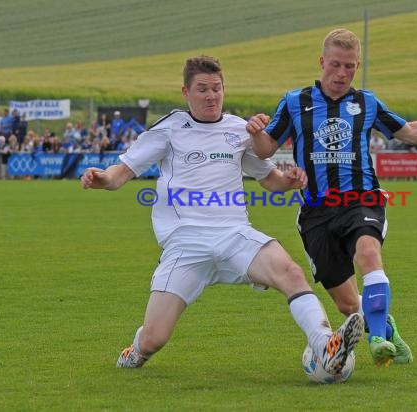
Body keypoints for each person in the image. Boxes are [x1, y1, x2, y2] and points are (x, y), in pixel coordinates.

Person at [81, 55, 363, 373]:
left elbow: (271, 181)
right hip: (185, 242)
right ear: (186, 92)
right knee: (154, 339)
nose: (211, 96)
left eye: (217, 88)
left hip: (234, 234)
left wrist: (290, 181)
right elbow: (120, 173)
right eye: (202, 89)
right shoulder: (170, 128)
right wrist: (102, 178)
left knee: (291, 273)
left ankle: (325, 345)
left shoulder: (239, 131)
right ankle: (137, 349)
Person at [246, 28, 417, 367]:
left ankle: (378, 339)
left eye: (349, 66)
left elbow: (408, 131)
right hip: (316, 213)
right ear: (322, 62)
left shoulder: (366, 102)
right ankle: (385, 326)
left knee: (368, 253)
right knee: (348, 306)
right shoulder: (296, 101)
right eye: (335, 64)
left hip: (361, 200)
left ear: (356, 66)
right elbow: (266, 148)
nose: (341, 73)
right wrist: (256, 132)